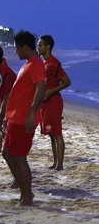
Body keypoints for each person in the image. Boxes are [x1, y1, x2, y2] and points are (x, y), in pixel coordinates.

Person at [2, 31, 45, 206]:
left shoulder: (36, 64)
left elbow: (41, 88)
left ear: (25, 47)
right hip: (14, 118)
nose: (16, 52)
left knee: (20, 158)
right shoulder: (27, 64)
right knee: (7, 153)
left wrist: (31, 113)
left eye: (17, 48)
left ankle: (27, 197)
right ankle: (22, 187)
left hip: (23, 120)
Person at [37, 35, 71, 171]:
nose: (38, 48)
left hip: (54, 102)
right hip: (44, 103)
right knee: (50, 133)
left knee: (57, 133)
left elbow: (67, 81)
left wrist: (51, 92)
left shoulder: (54, 63)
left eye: (40, 45)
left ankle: (60, 165)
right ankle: (55, 162)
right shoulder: (42, 63)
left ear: (47, 47)